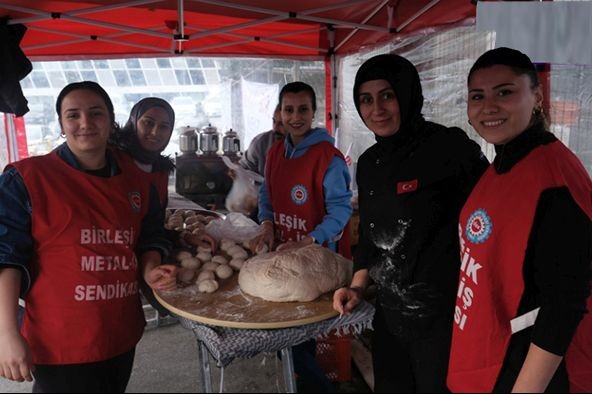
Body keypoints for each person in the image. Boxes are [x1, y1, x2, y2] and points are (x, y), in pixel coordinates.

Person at [0, 81, 177, 392]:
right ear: (61, 123)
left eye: (96, 113)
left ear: (111, 120)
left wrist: (150, 269)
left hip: (121, 331)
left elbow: (149, 237)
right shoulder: (27, 178)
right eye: (73, 115)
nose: (85, 123)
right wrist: (6, 334)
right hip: (62, 339)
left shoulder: (138, 180)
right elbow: (6, 258)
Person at [332, 53, 489, 393]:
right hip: (391, 316)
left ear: (407, 93)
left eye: (387, 95)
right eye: (366, 99)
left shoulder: (449, 148)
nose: (378, 109)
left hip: (446, 318)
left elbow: (489, 222)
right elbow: (373, 238)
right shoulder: (369, 163)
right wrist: (358, 287)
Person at [447, 47, 592, 393]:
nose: (489, 106)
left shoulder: (553, 179)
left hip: (532, 371)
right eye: (477, 96)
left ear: (537, 96)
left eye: (505, 92)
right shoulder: (502, 164)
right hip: (494, 352)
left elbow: (564, 304)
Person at [252, 81, 353, 393]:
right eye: (289, 109)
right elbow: (266, 198)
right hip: (284, 260)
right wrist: (267, 224)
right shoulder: (273, 155)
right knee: (295, 337)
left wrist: (308, 240)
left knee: (297, 340)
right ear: (279, 113)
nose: (295, 117)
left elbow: (340, 210)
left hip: (318, 262)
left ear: (314, 112)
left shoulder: (328, 158)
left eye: (303, 109)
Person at [239, 103, 285, 176]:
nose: (275, 128)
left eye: (281, 124)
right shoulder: (260, 143)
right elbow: (243, 168)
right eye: (274, 121)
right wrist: (236, 171)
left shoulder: (305, 145)